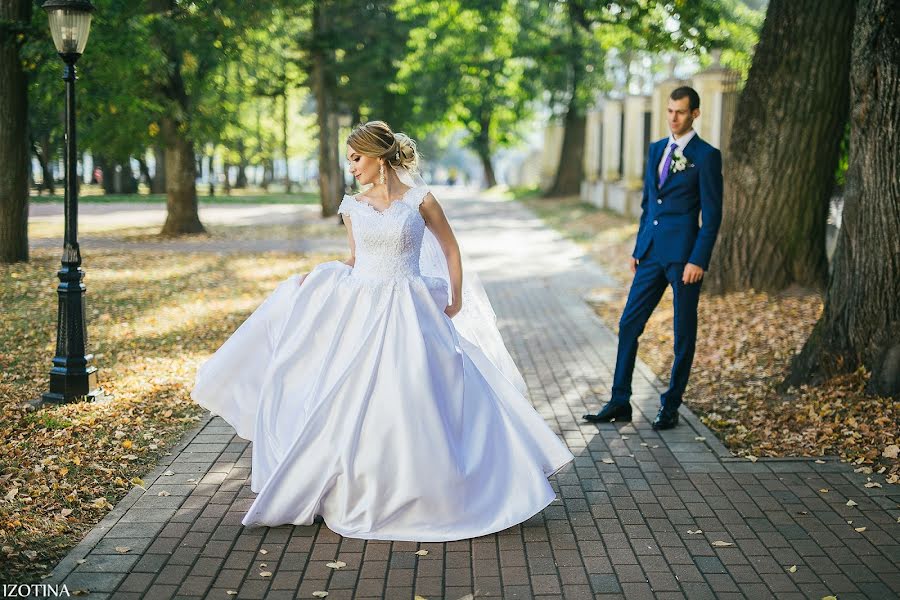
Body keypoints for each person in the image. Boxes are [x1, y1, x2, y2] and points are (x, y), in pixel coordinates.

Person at [191, 120, 573, 542]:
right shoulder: (352, 206)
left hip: (412, 308)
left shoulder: (421, 200)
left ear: (379, 157)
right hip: (363, 308)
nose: (351, 166)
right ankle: (366, 483)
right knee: (355, 393)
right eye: (350, 159)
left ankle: (444, 488)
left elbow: (449, 247)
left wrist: (457, 297)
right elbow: (356, 258)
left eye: (356, 158)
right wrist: (315, 281)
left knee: (420, 390)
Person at [583, 86, 723, 430]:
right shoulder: (657, 149)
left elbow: (713, 214)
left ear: (695, 114)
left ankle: (671, 405)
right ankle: (619, 400)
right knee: (629, 322)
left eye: (680, 112)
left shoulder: (706, 156)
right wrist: (638, 247)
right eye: (670, 110)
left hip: (685, 258)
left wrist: (698, 259)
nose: (673, 117)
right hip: (651, 254)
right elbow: (649, 204)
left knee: (682, 333)